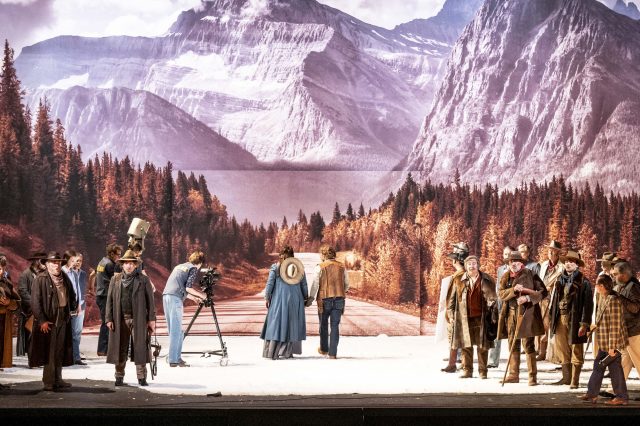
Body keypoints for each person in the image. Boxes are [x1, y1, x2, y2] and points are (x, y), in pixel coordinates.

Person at [106, 250, 156, 386]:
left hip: (138, 319)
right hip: (119, 319)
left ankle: (141, 377)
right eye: (126, 263)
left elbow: (150, 301)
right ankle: (119, 376)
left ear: (135, 265)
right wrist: (108, 318)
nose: (129, 266)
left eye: (132, 263)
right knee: (120, 348)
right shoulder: (115, 279)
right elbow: (109, 300)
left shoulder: (143, 279)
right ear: (122, 265)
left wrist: (151, 320)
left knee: (140, 348)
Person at [497, 251, 547, 385]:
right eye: (511, 262)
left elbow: (543, 292)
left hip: (527, 314)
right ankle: (513, 375)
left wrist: (528, 298)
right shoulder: (506, 276)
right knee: (513, 344)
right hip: (511, 314)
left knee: (528, 345)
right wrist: (513, 290)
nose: (513, 264)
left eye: (516, 261)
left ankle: (532, 377)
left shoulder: (531, 274)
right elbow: (501, 293)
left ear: (521, 263)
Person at [29, 252, 77, 391]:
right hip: (49, 319)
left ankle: (58, 379)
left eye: (58, 262)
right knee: (50, 351)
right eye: (53, 262)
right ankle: (48, 381)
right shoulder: (41, 278)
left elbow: (71, 293)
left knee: (59, 350)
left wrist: (72, 307)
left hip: (63, 317)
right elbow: (35, 302)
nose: (56, 265)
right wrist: (42, 320)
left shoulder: (64, 277)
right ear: (47, 264)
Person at [579, 275, 629, 406]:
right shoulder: (603, 298)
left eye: (597, 285)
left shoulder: (613, 300)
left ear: (602, 286)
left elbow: (615, 325)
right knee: (598, 366)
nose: (596, 287)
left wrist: (612, 347)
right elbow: (602, 320)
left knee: (615, 370)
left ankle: (621, 397)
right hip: (604, 342)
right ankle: (592, 393)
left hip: (612, 343)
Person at [548, 249, 593, 388]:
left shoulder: (583, 282)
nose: (568, 264)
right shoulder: (559, 280)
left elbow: (588, 305)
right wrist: (552, 318)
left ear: (577, 264)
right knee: (562, 348)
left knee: (576, 348)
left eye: (571, 262)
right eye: (566, 261)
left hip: (575, 319)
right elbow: (554, 301)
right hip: (560, 318)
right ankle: (566, 377)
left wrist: (584, 324)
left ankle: (575, 380)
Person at [447, 255, 497, 379]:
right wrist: (451, 315)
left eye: (474, 263)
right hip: (464, 318)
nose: (471, 266)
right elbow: (451, 300)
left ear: (478, 265)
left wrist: (493, 313)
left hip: (482, 318)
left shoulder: (487, 279)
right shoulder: (458, 280)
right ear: (465, 266)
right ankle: (467, 371)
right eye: (469, 264)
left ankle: (483, 371)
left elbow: (494, 299)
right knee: (466, 345)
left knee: (482, 346)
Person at [261, 246, 308, 360]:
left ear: (280, 255)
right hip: (295, 299)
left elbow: (270, 284)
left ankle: (272, 352)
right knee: (291, 324)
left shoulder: (276, 267)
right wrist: (305, 297)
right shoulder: (298, 267)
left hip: (279, 299)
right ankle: (287, 352)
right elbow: (304, 284)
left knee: (277, 323)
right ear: (292, 255)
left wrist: (267, 297)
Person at [162, 251, 206, 367]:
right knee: (176, 331)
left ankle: (176, 358)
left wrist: (194, 298)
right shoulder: (193, 268)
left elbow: (180, 287)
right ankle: (173, 360)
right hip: (175, 299)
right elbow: (188, 288)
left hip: (166, 296)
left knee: (176, 331)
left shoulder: (180, 266)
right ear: (200, 263)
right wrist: (203, 295)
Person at [307, 245, 349, 359]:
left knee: (323, 325)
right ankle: (333, 354)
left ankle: (324, 349)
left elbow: (315, 285)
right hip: (339, 298)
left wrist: (311, 298)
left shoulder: (319, 267)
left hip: (324, 299)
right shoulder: (342, 266)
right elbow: (346, 284)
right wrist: (341, 291)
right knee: (335, 326)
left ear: (323, 255)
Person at [441, 242, 469, 373]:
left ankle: (458, 364)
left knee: (457, 337)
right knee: (456, 337)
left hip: (459, 311)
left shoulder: (461, 274)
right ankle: (455, 364)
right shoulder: (461, 274)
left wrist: (451, 313)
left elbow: (456, 297)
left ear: (456, 260)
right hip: (458, 311)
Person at [611, 261, 640, 381]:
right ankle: (618, 387)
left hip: (635, 331)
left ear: (623, 275)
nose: (613, 276)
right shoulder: (620, 287)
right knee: (624, 360)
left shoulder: (634, 288)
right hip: (625, 331)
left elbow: (636, 308)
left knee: (638, 360)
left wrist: (620, 297)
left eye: (615, 274)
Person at [536, 240, 564, 361]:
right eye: (549, 251)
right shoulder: (544, 265)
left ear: (558, 253)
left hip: (553, 298)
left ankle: (550, 353)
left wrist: (551, 288)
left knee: (550, 325)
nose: (550, 253)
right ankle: (541, 351)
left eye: (553, 251)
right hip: (541, 298)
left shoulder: (562, 267)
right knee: (542, 324)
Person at [16, 251, 46, 358]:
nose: (44, 263)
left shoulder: (45, 274)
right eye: (42, 260)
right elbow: (23, 292)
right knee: (31, 336)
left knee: (42, 336)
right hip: (30, 311)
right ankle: (32, 358)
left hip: (43, 311)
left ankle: (39, 357)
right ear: (36, 261)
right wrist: (35, 304)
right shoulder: (26, 274)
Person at [488, 246, 514, 368]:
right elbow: (498, 286)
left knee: (512, 335)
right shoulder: (500, 269)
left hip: (512, 306)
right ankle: (493, 361)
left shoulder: (517, 269)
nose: (507, 256)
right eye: (505, 254)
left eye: (509, 254)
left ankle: (513, 364)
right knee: (496, 333)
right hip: (500, 305)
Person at [95, 243, 122, 356]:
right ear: (112, 254)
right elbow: (116, 280)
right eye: (118, 255)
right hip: (105, 295)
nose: (119, 257)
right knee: (107, 322)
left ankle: (103, 349)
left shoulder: (102, 261)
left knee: (105, 321)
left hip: (100, 294)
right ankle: (103, 349)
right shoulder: (110, 264)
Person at [62, 250, 87, 365]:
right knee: (66, 333)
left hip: (77, 306)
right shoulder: (62, 272)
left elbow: (78, 291)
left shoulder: (76, 273)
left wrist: (79, 305)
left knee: (76, 333)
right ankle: (66, 357)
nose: (75, 263)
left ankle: (76, 357)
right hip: (65, 307)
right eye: (73, 261)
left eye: (77, 261)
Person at [1, 256, 21, 369]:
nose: (1, 271)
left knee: (2, 345)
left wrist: (9, 302)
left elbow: (17, 300)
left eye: (2, 268)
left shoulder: (6, 282)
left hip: (4, 318)